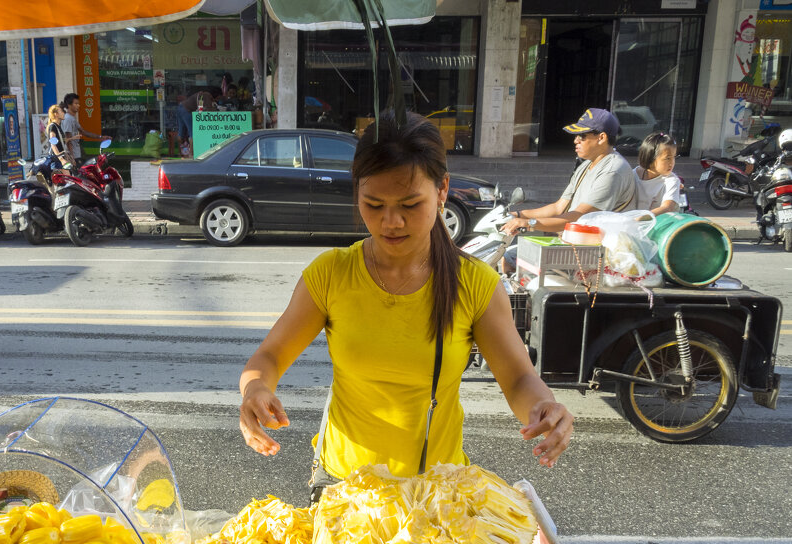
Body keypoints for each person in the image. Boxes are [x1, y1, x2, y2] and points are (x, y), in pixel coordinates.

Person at [239, 111, 574, 501]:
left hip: (434, 490)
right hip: (345, 486)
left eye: (410, 204)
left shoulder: (475, 283)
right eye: (374, 204)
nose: (391, 222)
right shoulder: (331, 274)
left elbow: (518, 378)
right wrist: (255, 390)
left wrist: (544, 408)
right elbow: (270, 354)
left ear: (442, 190)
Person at [501, 108, 636, 237]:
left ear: (601, 138)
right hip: (577, 240)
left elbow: (580, 217)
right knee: (510, 256)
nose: (575, 140)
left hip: (601, 251)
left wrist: (529, 223)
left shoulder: (612, 171)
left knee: (513, 256)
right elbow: (558, 207)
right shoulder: (587, 165)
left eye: (582, 136)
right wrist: (518, 215)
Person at [634, 132, 685, 215]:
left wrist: (641, 219)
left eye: (674, 157)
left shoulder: (672, 181)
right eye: (667, 158)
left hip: (659, 225)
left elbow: (667, 207)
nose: (672, 162)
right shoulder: (633, 176)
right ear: (650, 158)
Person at [60, 92, 102, 165]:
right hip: (73, 156)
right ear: (69, 105)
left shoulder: (72, 118)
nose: (78, 106)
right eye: (76, 104)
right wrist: (72, 158)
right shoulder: (67, 119)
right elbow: (68, 139)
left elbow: (83, 131)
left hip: (77, 154)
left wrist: (100, 137)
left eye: (78, 104)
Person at [175, 90, 215, 156]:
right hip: (187, 111)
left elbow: (200, 109)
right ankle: (191, 154)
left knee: (181, 132)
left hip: (180, 107)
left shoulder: (201, 94)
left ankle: (180, 152)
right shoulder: (207, 96)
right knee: (193, 133)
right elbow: (208, 111)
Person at [45, 104, 72, 170]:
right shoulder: (53, 126)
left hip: (60, 158)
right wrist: (61, 159)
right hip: (56, 160)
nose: (63, 113)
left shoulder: (58, 126)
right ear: (56, 114)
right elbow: (53, 144)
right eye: (61, 111)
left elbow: (61, 141)